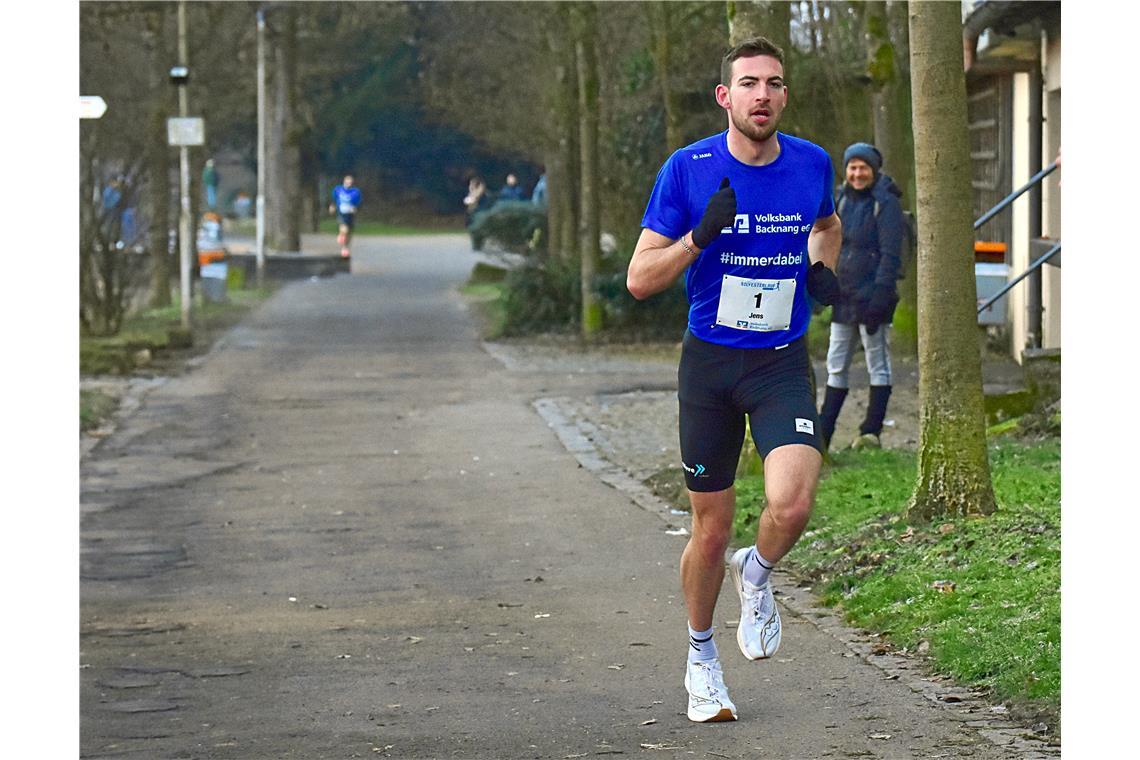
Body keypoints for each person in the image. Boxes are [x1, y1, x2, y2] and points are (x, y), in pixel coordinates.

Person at [626, 37, 841, 724]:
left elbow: (828, 225)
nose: (762, 95)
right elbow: (637, 280)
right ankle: (701, 660)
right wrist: (697, 240)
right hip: (712, 366)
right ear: (725, 96)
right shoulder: (686, 170)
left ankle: (760, 573)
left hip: (780, 360)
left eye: (774, 83)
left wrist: (821, 268)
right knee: (710, 529)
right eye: (748, 83)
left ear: (784, 95)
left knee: (793, 504)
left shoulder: (811, 163)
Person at [817, 142, 904, 451]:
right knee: (835, 363)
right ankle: (823, 432)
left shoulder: (886, 203)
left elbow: (891, 254)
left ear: (874, 170)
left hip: (873, 297)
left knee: (876, 362)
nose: (857, 174)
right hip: (844, 295)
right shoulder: (838, 199)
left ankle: (871, 431)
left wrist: (881, 294)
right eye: (852, 168)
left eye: (863, 168)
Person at [330, 174, 361, 258]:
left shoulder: (355, 192)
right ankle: (341, 235)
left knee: (349, 232)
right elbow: (333, 198)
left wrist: (356, 208)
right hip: (341, 212)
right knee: (344, 228)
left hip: (350, 214)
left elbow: (358, 202)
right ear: (344, 181)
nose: (349, 183)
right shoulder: (338, 189)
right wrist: (332, 206)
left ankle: (345, 248)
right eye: (347, 181)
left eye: (350, 182)